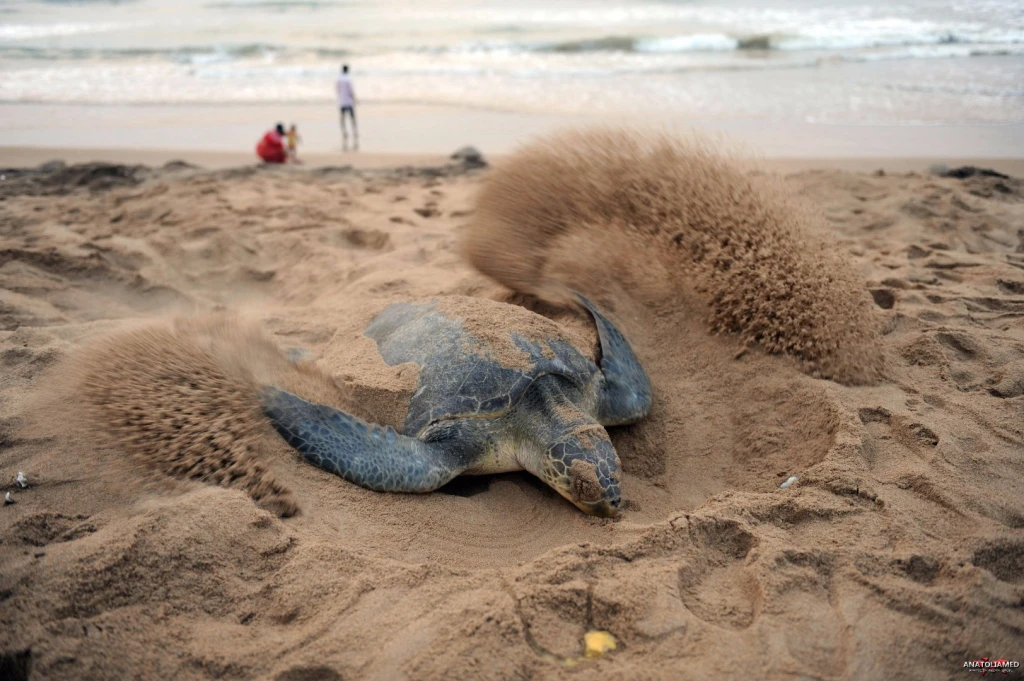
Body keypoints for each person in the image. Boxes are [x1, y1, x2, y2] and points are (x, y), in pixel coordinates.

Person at [336, 64, 358, 151]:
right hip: (349, 102)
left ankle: (344, 132)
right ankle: (354, 131)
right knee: (352, 118)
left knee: (342, 119)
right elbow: (351, 91)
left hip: (342, 101)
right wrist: (355, 99)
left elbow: (337, 90)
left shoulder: (339, 79)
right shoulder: (348, 79)